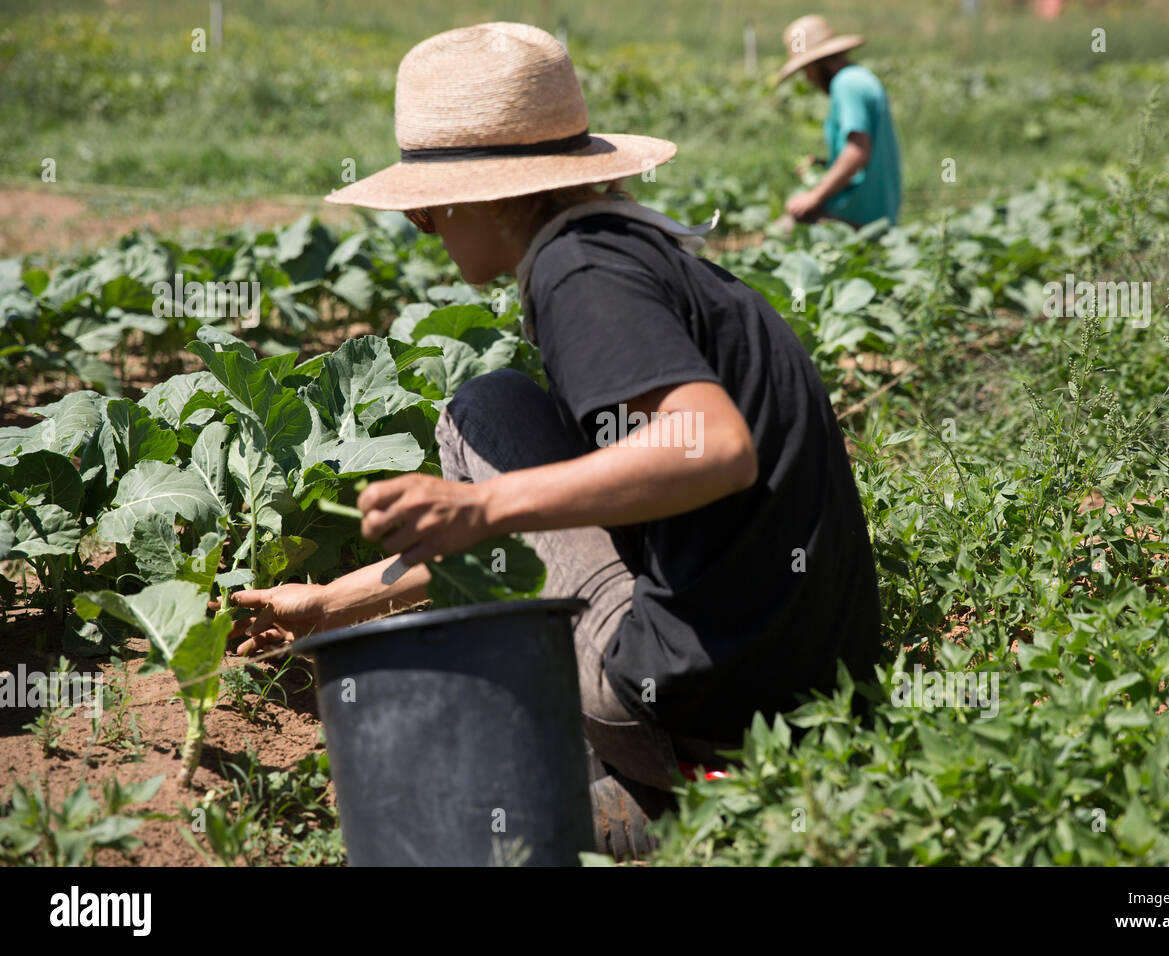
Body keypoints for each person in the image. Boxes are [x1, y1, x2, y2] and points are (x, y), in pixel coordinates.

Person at [228, 22, 884, 859]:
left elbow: (715, 447)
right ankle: (662, 779)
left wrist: (487, 498)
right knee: (521, 429)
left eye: (425, 208)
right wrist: (328, 606)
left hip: (697, 702)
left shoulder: (579, 270)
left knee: (488, 408)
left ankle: (653, 784)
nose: (422, 226)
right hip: (807, 704)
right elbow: (556, 523)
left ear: (493, 192)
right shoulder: (630, 250)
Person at [778, 15, 902, 230]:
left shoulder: (846, 84)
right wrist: (823, 163)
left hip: (858, 214)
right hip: (880, 210)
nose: (808, 79)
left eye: (806, 70)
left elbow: (857, 152)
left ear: (820, 63)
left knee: (781, 233)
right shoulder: (861, 78)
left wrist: (814, 196)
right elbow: (867, 150)